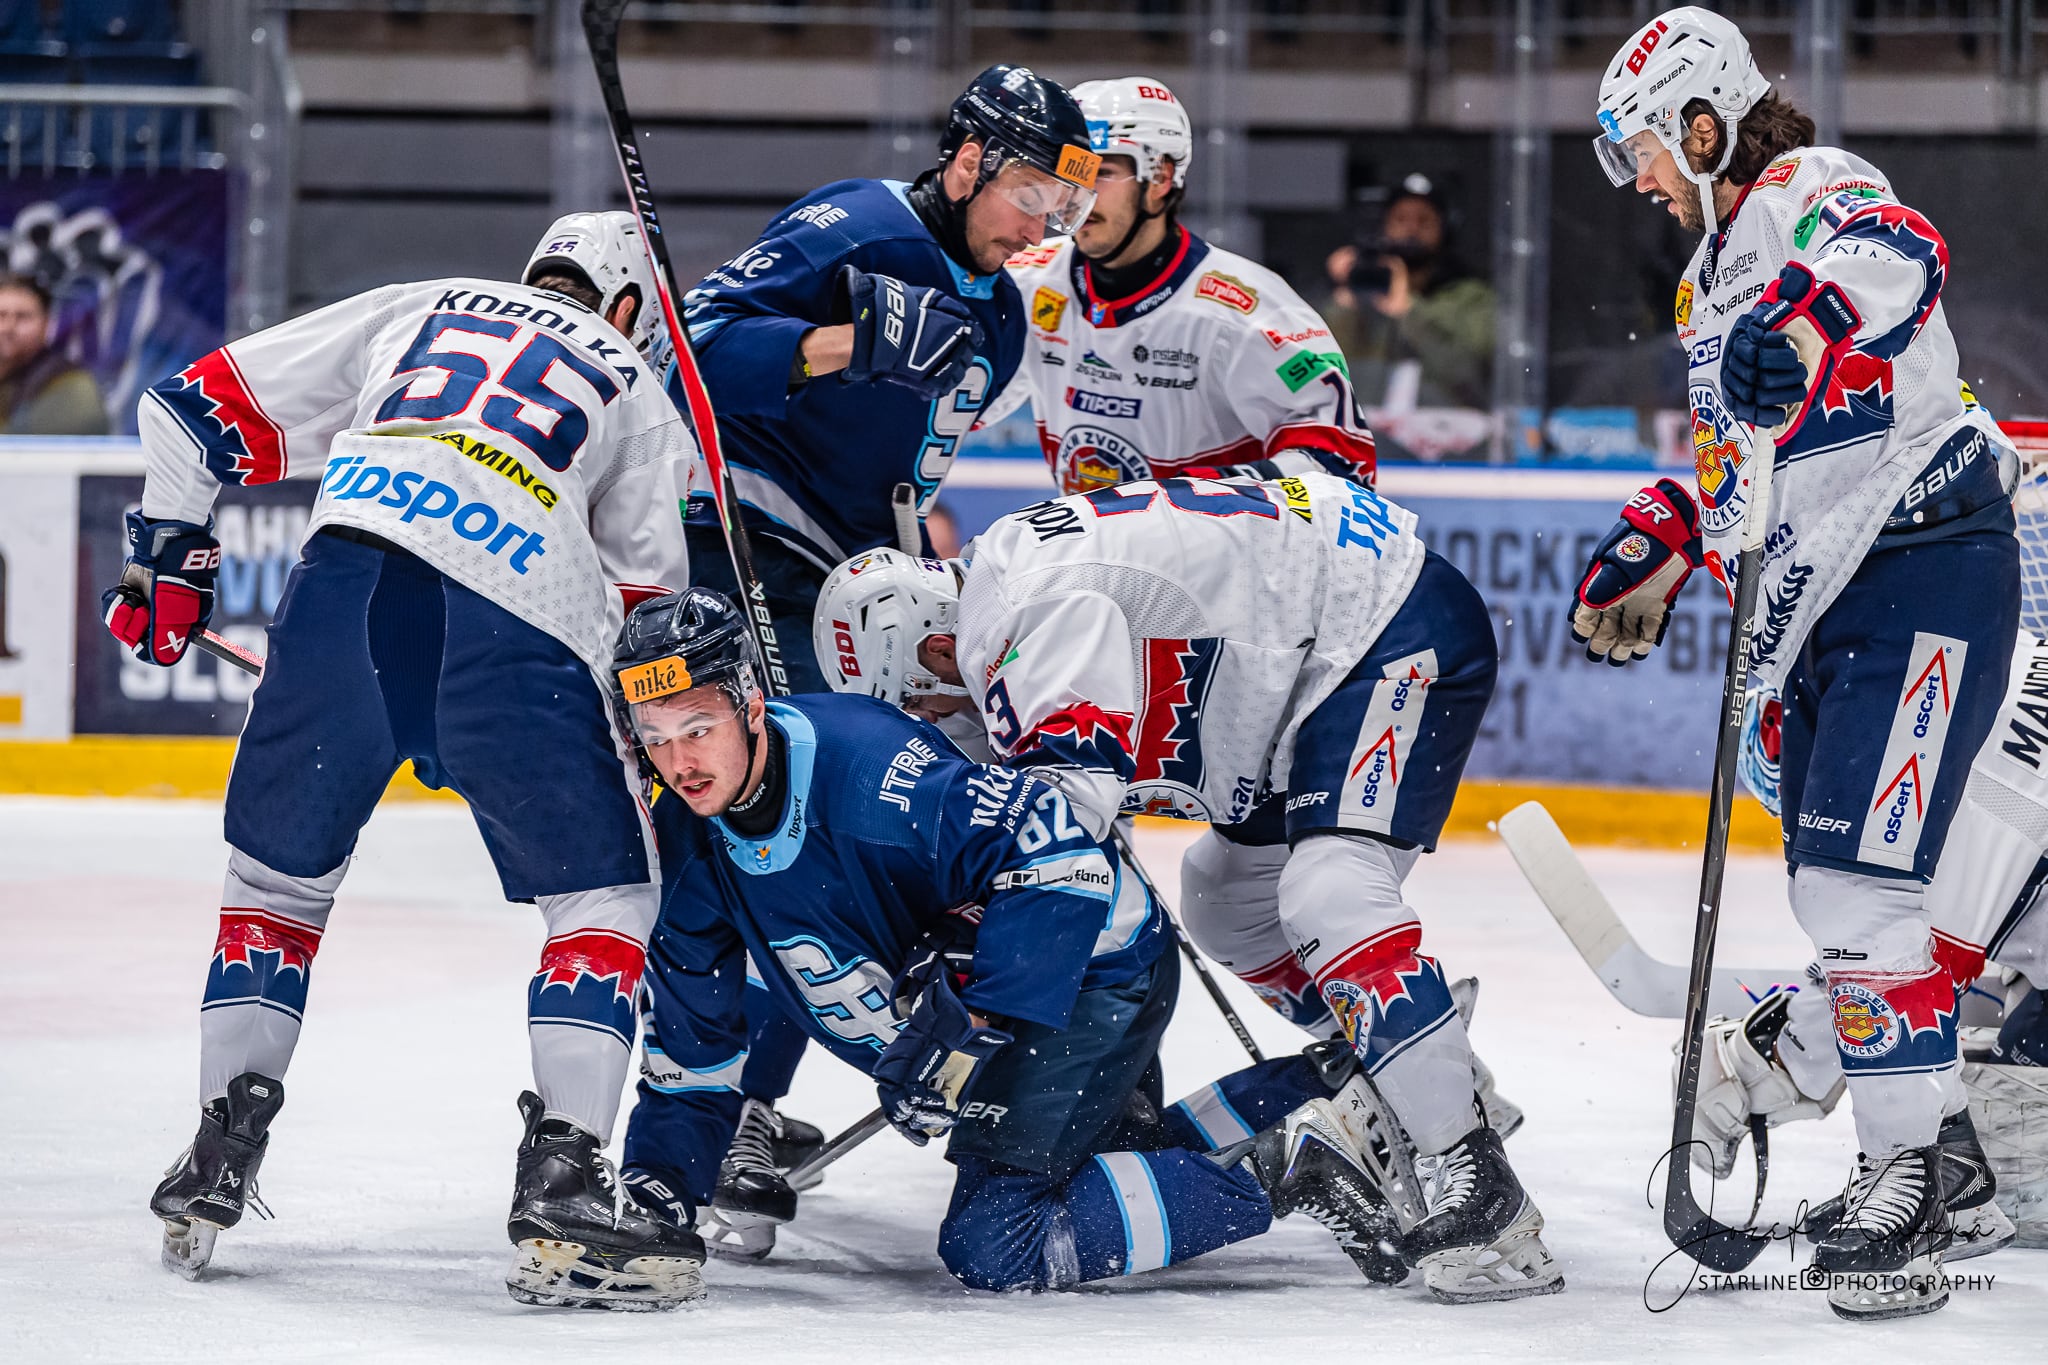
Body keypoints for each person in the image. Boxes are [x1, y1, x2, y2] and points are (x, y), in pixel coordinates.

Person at [114, 211, 706, 1307]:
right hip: (521, 621)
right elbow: (645, 609)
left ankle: (216, 1149)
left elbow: (185, 415)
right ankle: (566, 1175)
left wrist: (169, 559)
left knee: (273, 891)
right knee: (605, 900)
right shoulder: (634, 380)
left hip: (343, 595)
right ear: (628, 306)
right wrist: (655, 744)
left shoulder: (418, 305)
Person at [813, 470, 1563, 1303]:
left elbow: (1065, 816)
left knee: (1331, 891)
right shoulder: (1003, 595)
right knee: (1225, 897)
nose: (938, 723)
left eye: (923, 706)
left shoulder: (1022, 611)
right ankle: (1397, 1063)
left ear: (933, 649)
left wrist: (977, 963)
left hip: (1379, 623)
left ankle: (1477, 1174)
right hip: (1305, 673)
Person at [1577, 5, 2020, 1319]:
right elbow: (1757, 481)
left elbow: (1900, 248)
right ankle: (1944, 1167)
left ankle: (1908, 1181)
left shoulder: (1805, 187)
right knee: (1841, 894)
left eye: (1639, 149)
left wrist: (1814, 317)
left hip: (1923, 564)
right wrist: (1671, 540)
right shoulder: (1704, 277)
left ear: (1699, 121)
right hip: (1838, 596)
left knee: (1855, 889)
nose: (1638, 180)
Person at [608, 587, 1419, 1297]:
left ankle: (1292, 1161)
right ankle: (1340, 1084)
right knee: (1120, 1156)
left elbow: (1062, 852)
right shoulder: (686, 842)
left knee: (997, 1241)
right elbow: (693, 1049)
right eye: (657, 736)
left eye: (698, 726)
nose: (681, 761)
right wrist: (658, 1188)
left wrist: (974, 1018)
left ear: (751, 704)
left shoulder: (871, 774)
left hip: (1090, 971)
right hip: (1032, 986)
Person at [674, 62, 1097, 1256]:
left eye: (1062, 209)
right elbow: (686, 355)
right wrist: (839, 342)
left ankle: (762, 1082)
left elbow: (904, 483)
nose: (1040, 227)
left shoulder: (1002, 322)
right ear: (963, 161)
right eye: (1027, 193)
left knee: (865, 833)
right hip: (736, 549)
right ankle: (725, 1110)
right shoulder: (855, 224)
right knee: (768, 832)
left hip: (838, 586)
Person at [983, 77, 1376, 495]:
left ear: (1161, 177)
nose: (1077, 194)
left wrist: (1186, 501)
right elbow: (965, 406)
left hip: (1219, 540)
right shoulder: (1026, 280)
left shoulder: (1250, 312)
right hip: (1093, 536)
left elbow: (1342, 470)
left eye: (1101, 173)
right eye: (1070, 173)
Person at [1320, 175, 1495, 413]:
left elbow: (1472, 378)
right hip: (1364, 427)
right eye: (1400, 219)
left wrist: (1409, 311)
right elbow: (1317, 373)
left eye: (1424, 220)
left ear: (1445, 229)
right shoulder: (1360, 293)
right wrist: (1342, 300)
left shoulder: (1472, 298)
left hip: (1443, 429)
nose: (1412, 229)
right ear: (1383, 227)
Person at [0, 272, 108, 435]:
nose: (8, 327)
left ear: (46, 324)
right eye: (1, 315)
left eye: (23, 317)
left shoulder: (70, 384)